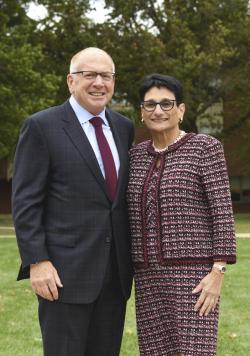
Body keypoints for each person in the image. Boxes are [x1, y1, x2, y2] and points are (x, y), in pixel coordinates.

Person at [12, 47, 134, 356]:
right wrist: (37, 262)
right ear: (71, 81)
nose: (98, 83)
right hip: (64, 275)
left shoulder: (124, 128)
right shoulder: (42, 126)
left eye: (106, 76)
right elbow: (26, 202)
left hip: (115, 275)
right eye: (89, 74)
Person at [126, 73, 236, 356]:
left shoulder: (205, 148)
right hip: (148, 278)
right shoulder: (135, 157)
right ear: (141, 113)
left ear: (181, 109)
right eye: (150, 105)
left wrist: (218, 272)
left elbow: (222, 214)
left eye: (166, 103)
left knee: (193, 352)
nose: (158, 110)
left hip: (194, 277)